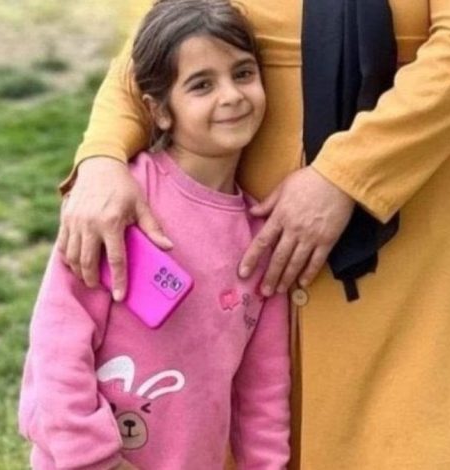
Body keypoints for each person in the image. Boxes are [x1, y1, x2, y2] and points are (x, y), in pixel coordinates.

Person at [57, 0, 450, 468]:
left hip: (413, 240)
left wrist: (343, 177)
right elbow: (159, 38)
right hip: (234, 252)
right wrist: (101, 157)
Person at [18, 1, 290, 468]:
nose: (232, 96)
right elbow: (58, 341)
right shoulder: (118, 204)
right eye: (202, 84)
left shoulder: (261, 241)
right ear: (158, 110)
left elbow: (263, 389)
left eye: (243, 74)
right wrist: (93, 458)